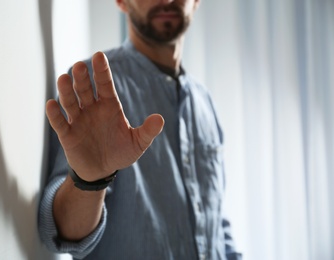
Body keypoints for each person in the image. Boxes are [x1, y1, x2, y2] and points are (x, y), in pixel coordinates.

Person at [38, 0, 242, 259]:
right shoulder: (93, 89)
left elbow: (216, 222)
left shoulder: (205, 103)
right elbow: (63, 232)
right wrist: (89, 180)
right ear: (122, 1)